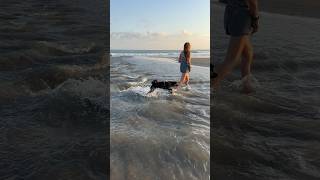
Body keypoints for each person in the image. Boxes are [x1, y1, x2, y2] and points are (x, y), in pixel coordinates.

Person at [213, 0, 259, 93]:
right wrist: (255, 19)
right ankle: (211, 86)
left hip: (231, 13)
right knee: (232, 59)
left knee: (247, 54)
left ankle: (247, 86)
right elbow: (252, 2)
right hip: (241, 15)